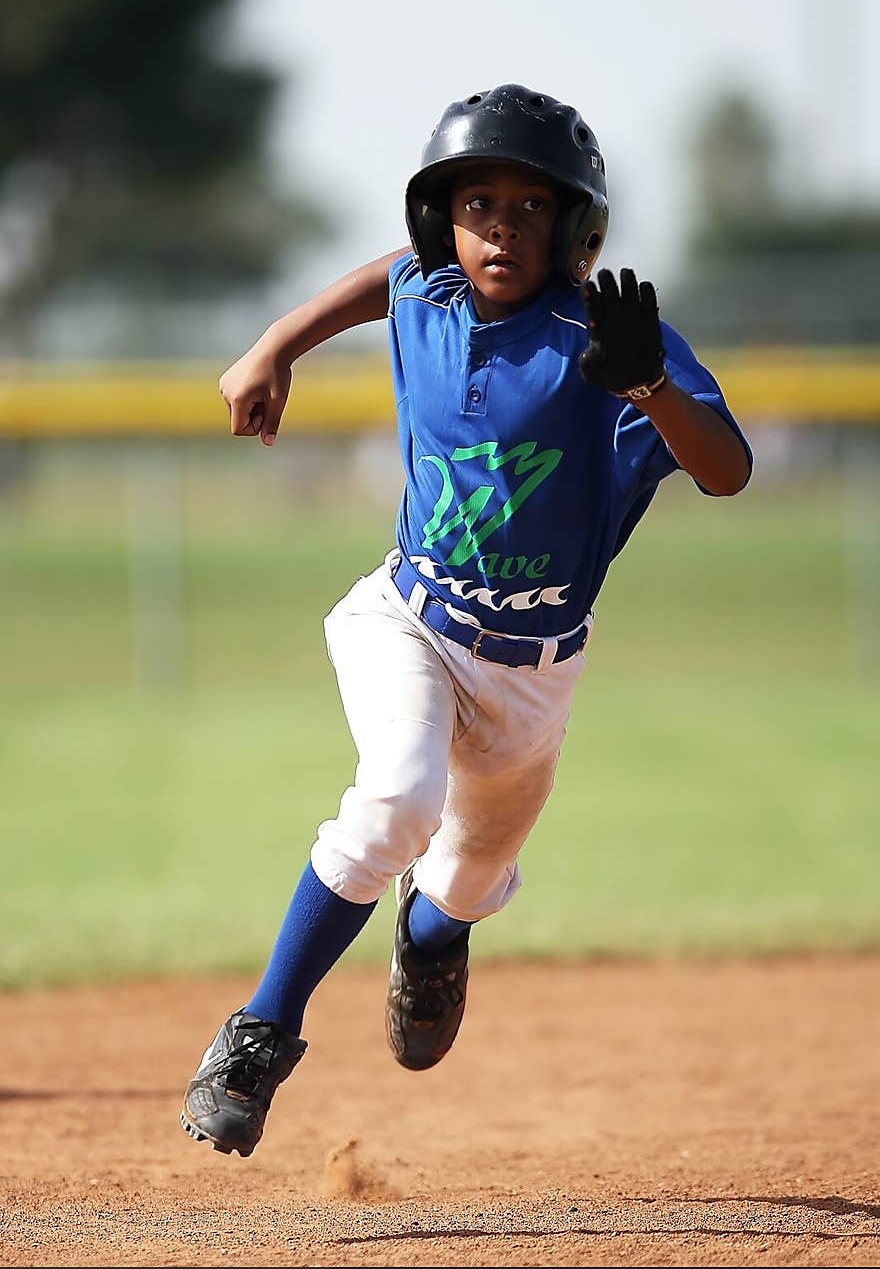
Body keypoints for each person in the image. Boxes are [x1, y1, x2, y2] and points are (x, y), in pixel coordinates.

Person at [179, 83, 753, 1158]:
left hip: (534, 675)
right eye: (476, 201)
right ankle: (259, 1032)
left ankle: (432, 939)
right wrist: (273, 345)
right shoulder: (428, 299)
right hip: (407, 618)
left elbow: (727, 470)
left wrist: (649, 392)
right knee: (395, 798)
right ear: (440, 219)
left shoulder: (611, 341)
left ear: (575, 228)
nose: (499, 225)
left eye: (530, 206)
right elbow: (380, 284)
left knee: (462, 881)